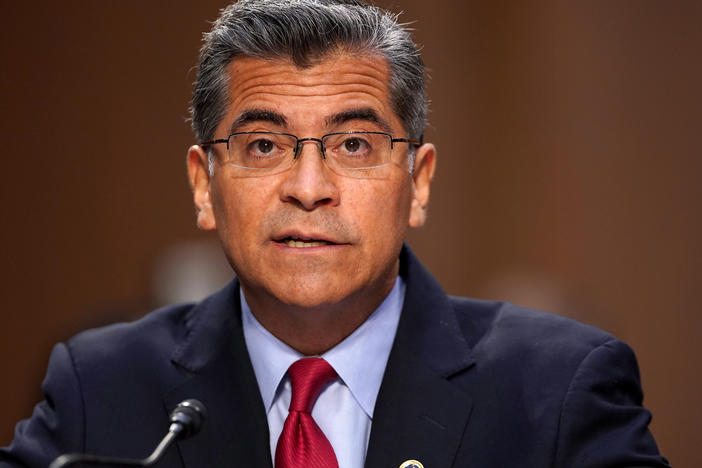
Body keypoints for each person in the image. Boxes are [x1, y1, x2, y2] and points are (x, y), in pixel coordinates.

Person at [1, 1, 669, 467]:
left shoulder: (556, 391)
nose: (309, 186)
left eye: (353, 144)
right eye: (264, 146)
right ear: (205, 185)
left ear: (420, 182)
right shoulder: (101, 389)